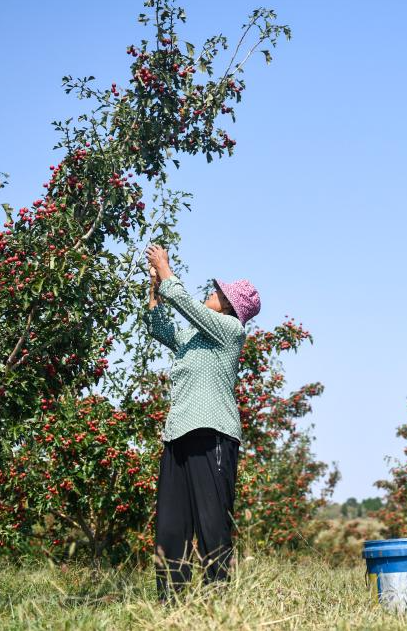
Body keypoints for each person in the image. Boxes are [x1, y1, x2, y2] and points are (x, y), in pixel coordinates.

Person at [144, 243, 260, 601]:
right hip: (178, 434)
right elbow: (159, 327)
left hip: (213, 434)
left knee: (212, 526)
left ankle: (218, 605)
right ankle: (171, 605)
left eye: (217, 292)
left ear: (229, 305)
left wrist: (165, 268)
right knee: (171, 526)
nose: (210, 293)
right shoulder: (194, 338)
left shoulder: (229, 331)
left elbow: (185, 304)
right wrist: (154, 286)